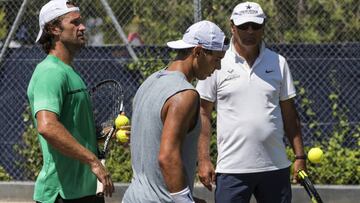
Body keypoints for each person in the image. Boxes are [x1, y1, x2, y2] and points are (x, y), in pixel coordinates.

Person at [196, 2, 307, 203]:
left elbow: (290, 114)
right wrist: (203, 159)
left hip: (275, 168)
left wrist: (300, 157)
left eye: (255, 26)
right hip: (231, 170)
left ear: (263, 27)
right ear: (232, 26)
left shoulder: (278, 62)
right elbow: (203, 113)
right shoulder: (217, 62)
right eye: (244, 26)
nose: (250, 31)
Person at [122, 20, 229, 203]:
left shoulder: (149, 82)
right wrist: (185, 201)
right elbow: (167, 157)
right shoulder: (186, 94)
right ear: (198, 51)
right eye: (217, 59)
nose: (218, 67)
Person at [27, 1, 115, 202]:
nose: (82, 27)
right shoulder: (50, 73)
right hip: (61, 194)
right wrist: (93, 161)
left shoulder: (69, 72)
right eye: (74, 23)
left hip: (85, 191)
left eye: (81, 21)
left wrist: (105, 132)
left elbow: (75, 129)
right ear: (54, 29)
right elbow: (47, 126)